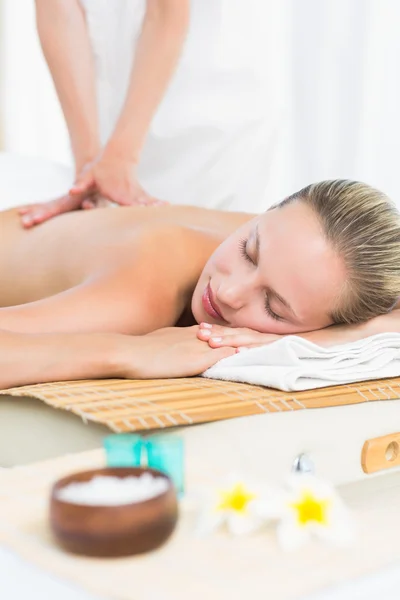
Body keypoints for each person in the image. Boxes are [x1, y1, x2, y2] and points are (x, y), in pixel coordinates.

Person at [1, 179, 400, 389]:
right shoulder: (144, 295)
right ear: (267, 210)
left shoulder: (304, 251)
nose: (228, 292)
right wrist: (129, 352)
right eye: (249, 250)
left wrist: (347, 335)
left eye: (274, 308)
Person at [19, 0, 283, 227]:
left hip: (202, 110)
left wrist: (121, 158)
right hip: (109, 112)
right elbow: (57, 12)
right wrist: (88, 166)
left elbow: (165, 14)